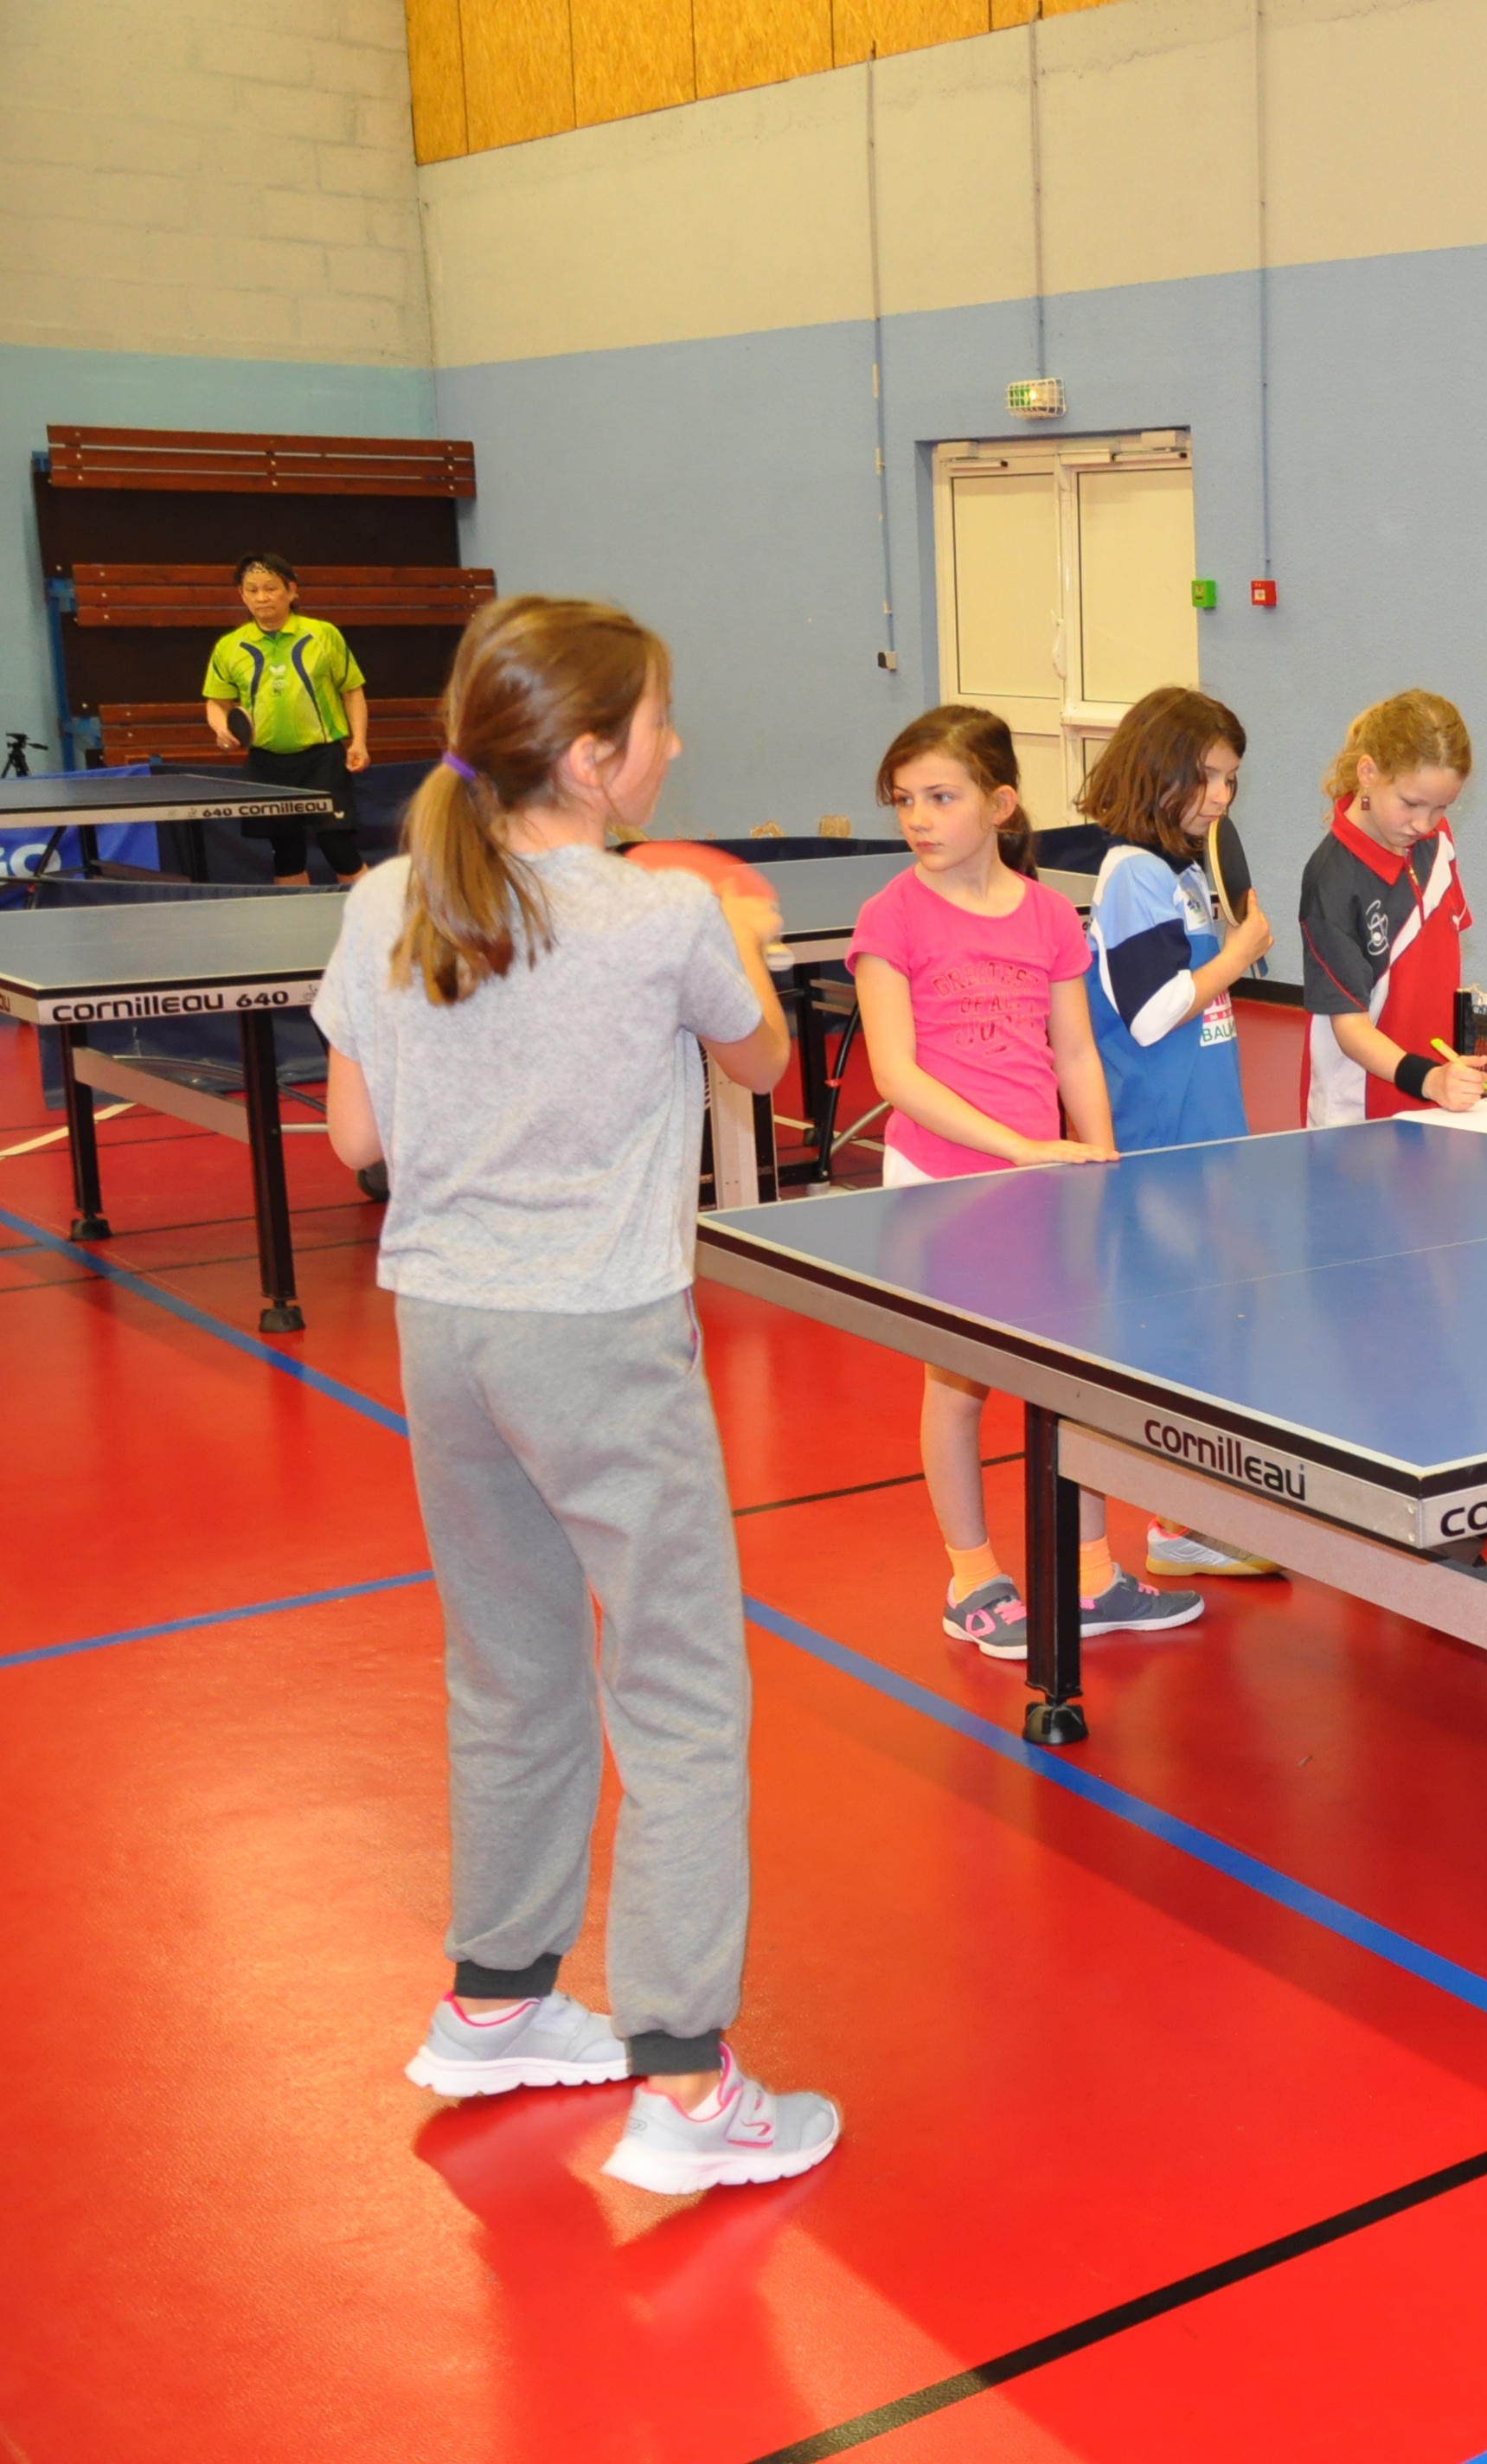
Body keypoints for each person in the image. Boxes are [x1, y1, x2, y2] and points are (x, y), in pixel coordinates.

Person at [317, 594, 840, 2193]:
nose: (680, 744)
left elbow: (353, 1142)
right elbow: (766, 1068)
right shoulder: (661, 914)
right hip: (600, 1336)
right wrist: (728, 937)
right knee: (679, 1693)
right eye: (661, 723)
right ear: (600, 759)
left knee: (510, 1666)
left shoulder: (388, 896)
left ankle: (497, 2000)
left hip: (443, 1332)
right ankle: (684, 2082)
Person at [849, 703, 1208, 1651]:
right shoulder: (891, 916)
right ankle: (972, 1578)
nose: (918, 818)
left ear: (1000, 803)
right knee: (957, 1379)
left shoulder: (1049, 914)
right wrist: (1019, 1148)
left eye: (940, 797)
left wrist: (1101, 1156)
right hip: (938, 1181)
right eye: (904, 801)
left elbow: (1075, 1052)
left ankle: (1090, 1575)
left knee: (1066, 1374)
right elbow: (896, 1076)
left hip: (1043, 1178)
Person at [1072, 683, 1285, 1585]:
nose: (1221, 797)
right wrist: (1240, 952)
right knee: (1172, 1347)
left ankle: (1188, 1519)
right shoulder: (1134, 874)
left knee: (1212, 1335)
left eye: (1232, 780)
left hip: (1209, 1139)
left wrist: (1230, 939)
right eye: (1207, 776)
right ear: (1158, 769)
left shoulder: (1185, 871)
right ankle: (1174, 1523)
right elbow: (1152, 1013)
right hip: (1156, 1147)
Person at [1297, 690, 1487, 1125]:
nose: (1424, 823)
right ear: (1368, 773)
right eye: (1411, 804)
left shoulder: (1437, 841)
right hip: (1358, 1112)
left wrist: (1445, 1075)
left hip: (1435, 1093)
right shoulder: (1332, 879)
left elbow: (1437, 966)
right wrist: (1427, 1079)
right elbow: (1350, 1028)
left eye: (1441, 807)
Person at [202, 551, 370, 885]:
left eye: (271, 588)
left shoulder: (323, 634)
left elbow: (352, 692)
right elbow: (216, 703)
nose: (262, 597)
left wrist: (360, 742)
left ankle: (376, 916)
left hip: (322, 758)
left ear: (291, 590)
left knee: (340, 849)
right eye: (252, 590)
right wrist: (221, 728)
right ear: (242, 595)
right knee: (286, 854)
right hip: (266, 763)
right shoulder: (229, 647)